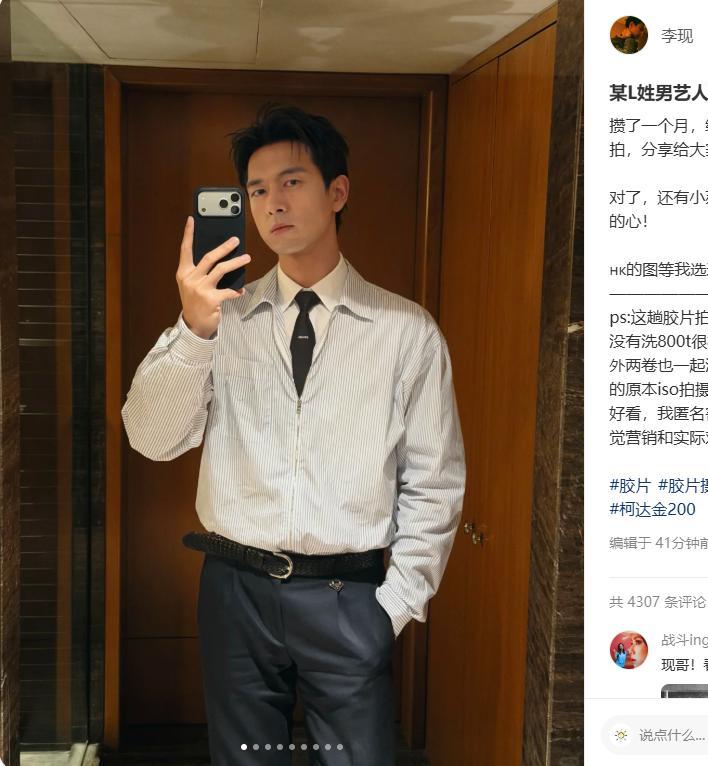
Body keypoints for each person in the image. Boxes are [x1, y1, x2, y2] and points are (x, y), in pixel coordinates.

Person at [121, 103, 466, 765]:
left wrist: (395, 606)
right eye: (255, 190)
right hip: (235, 590)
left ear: (338, 192)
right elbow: (151, 437)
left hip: (349, 597)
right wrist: (193, 329)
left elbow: (435, 481)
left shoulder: (406, 332)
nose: (271, 202)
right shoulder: (223, 318)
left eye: (291, 181)